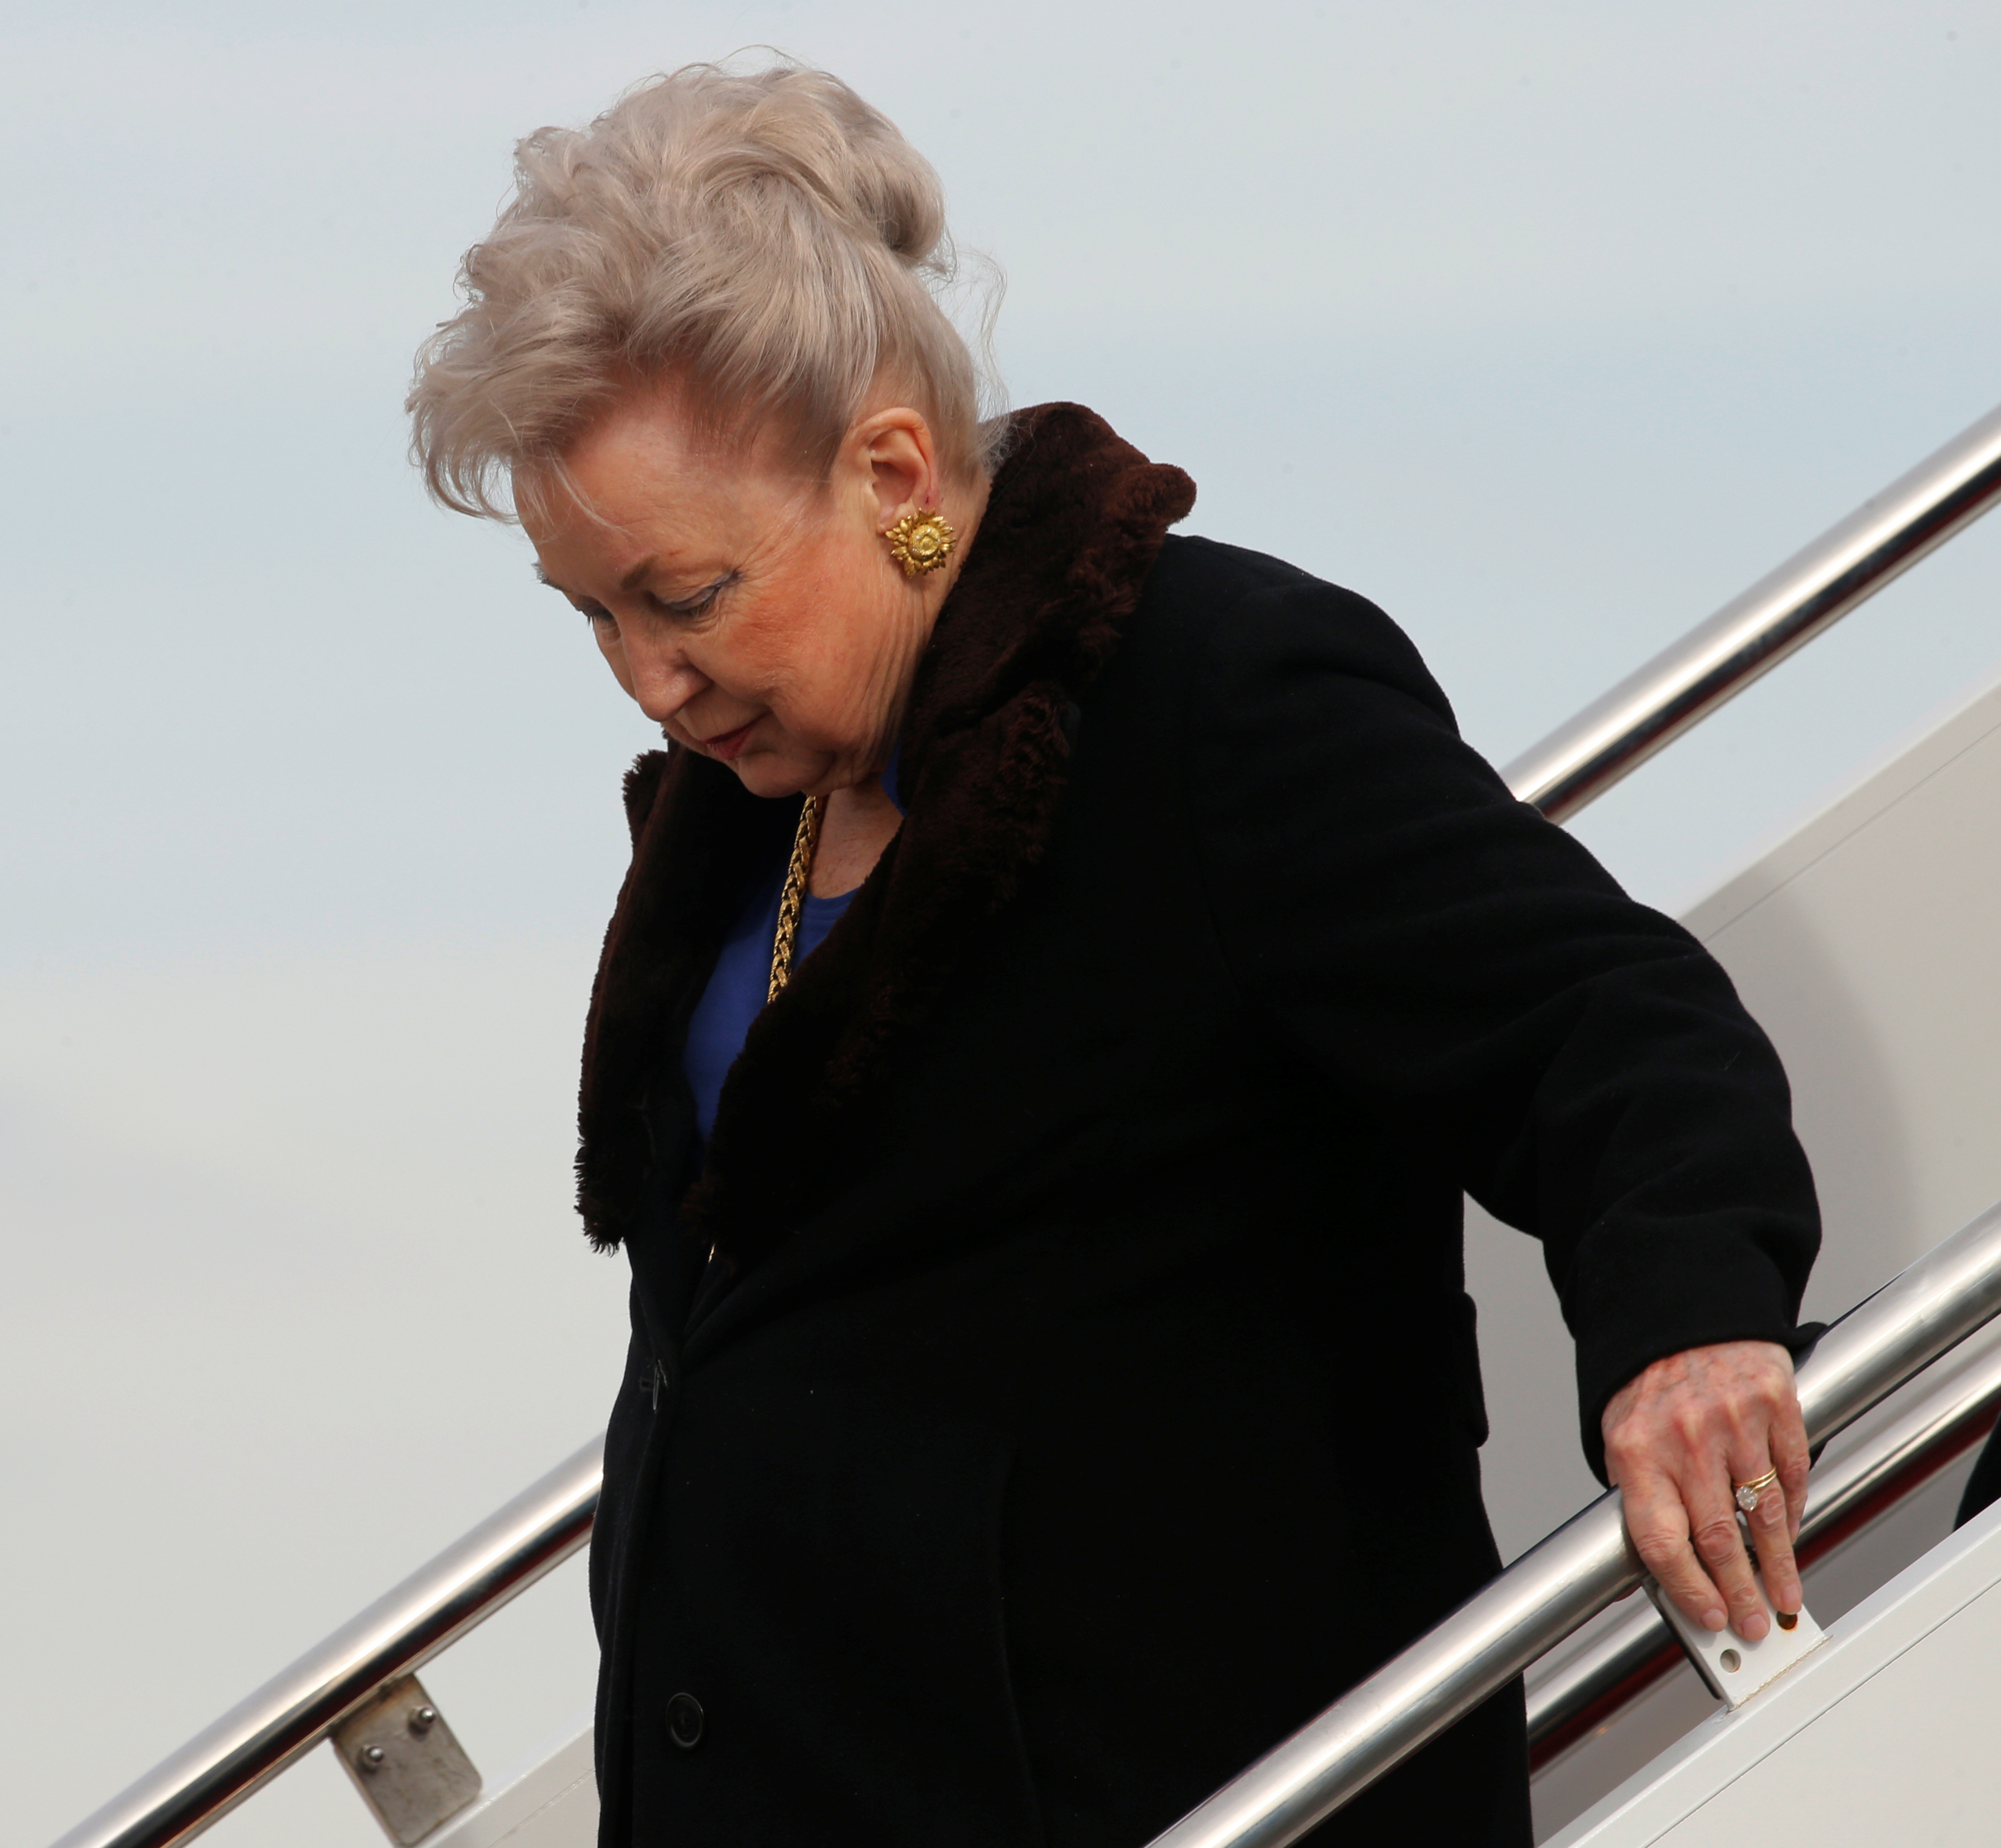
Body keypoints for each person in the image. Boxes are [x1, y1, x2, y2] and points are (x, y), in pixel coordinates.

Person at [404, 59, 1820, 1847]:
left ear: (896, 472)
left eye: (684, 597)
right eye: (591, 613)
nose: (644, 680)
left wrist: (1686, 1321)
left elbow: (1602, 1026)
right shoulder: (754, 807)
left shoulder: (1209, 700)